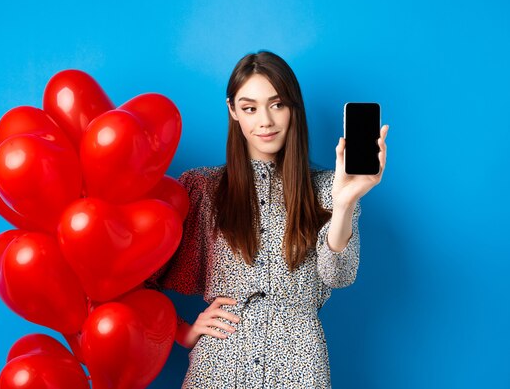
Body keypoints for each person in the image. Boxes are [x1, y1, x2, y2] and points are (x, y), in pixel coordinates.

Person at [145, 50, 389, 388]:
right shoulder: (202, 189)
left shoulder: (329, 189)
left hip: (299, 369)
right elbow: (140, 278)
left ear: (293, 109)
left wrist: (345, 203)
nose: (265, 121)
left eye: (277, 105)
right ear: (233, 111)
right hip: (219, 368)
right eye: (250, 108)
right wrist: (183, 331)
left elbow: (339, 274)